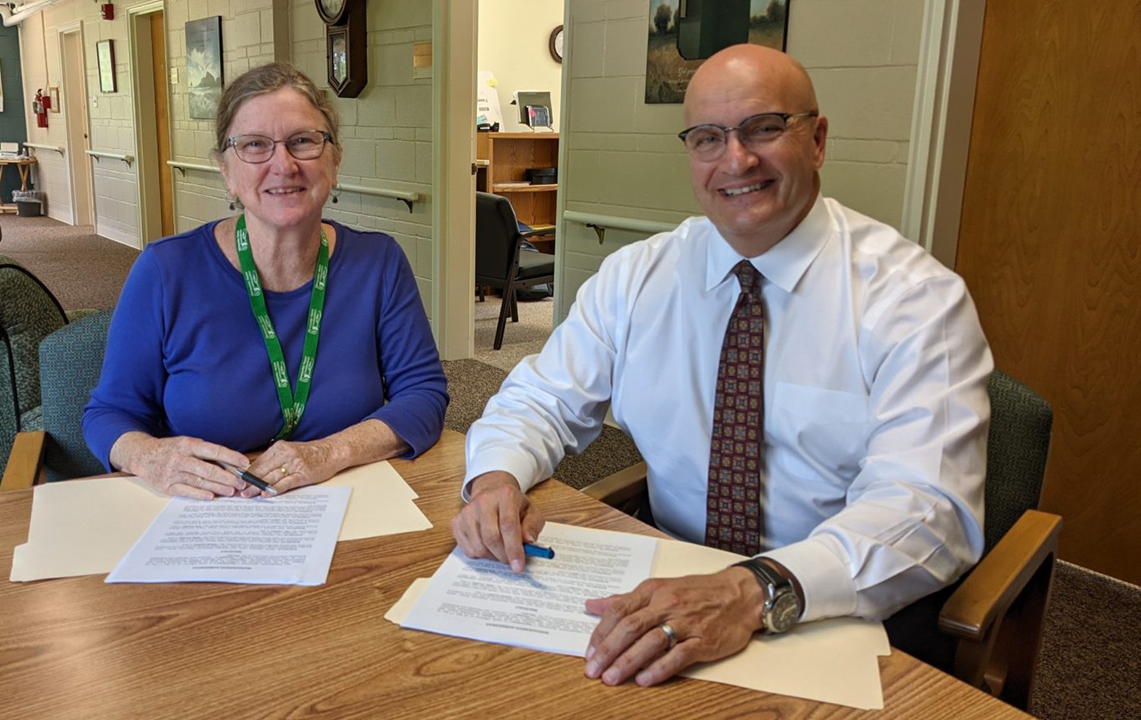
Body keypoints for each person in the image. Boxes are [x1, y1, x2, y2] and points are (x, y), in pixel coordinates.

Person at [452, 44, 992, 687]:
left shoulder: (914, 299)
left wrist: (749, 590)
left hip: (838, 606)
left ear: (817, 141)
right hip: (668, 581)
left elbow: (929, 509)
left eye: (764, 128)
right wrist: (495, 480)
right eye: (709, 138)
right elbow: (541, 401)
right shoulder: (637, 277)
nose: (736, 160)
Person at [84, 62, 448, 499]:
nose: (283, 164)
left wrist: (330, 453)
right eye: (255, 145)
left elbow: (423, 395)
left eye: (303, 141)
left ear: (334, 161)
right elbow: (108, 414)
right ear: (226, 171)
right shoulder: (166, 270)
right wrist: (149, 456)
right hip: (211, 509)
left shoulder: (379, 262)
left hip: (346, 499)